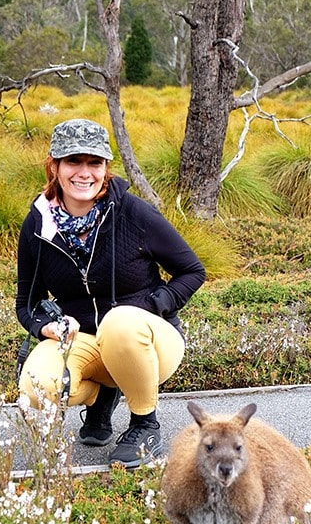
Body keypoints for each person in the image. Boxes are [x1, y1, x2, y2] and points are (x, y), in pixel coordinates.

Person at [16, 118, 206, 469]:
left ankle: (144, 423)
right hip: (85, 342)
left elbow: (192, 270)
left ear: (106, 168)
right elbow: (26, 304)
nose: (84, 173)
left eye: (95, 163)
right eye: (74, 161)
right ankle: (102, 394)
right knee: (36, 386)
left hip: (146, 342)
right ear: (54, 166)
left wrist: (154, 305)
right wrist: (45, 327)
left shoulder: (134, 213)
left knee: (120, 322)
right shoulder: (37, 226)